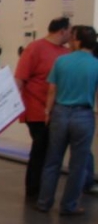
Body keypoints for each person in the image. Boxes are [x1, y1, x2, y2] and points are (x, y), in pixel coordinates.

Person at [34, 25, 98, 216]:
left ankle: (44, 202)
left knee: (52, 161)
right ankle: (69, 205)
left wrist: (48, 112)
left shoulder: (61, 61)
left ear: (78, 40)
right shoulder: (95, 64)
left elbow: (52, 90)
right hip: (84, 116)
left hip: (60, 113)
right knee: (78, 165)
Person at [14, 17, 71, 200]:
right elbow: (20, 78)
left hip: (56, 110)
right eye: (69, 31)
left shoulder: (66, 52)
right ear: (62, 30)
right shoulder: (35, 48)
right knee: (40, 149)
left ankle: (42, 190)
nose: (71, 35)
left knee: (49, 151)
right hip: (36, 108)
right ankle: (33, 189)